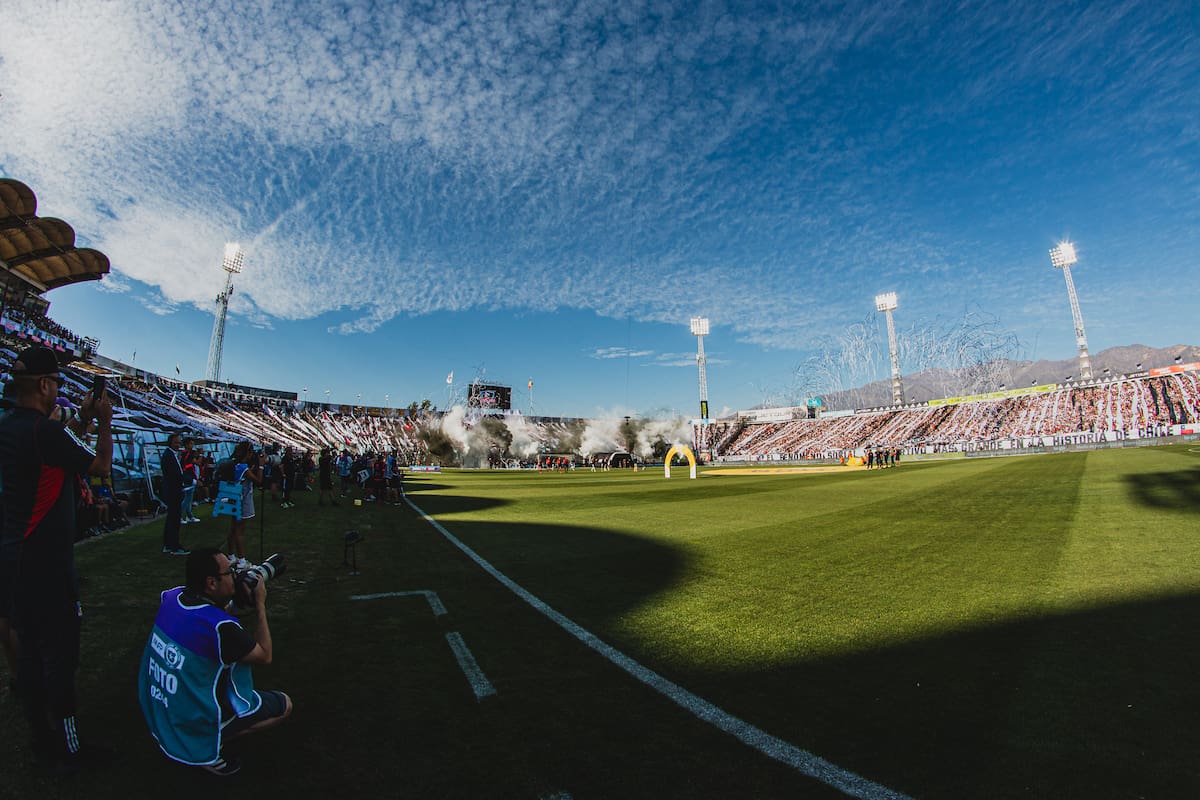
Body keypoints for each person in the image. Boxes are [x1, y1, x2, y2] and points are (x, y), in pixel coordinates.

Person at [0, 345, 113, 769]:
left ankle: (40, 737)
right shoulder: (44, 433)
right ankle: (69, 748)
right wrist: (103, 421)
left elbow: (57, 453)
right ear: (45, 386)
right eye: (58, 384)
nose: (58, 391)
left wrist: (81, 419)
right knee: (61, 656)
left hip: (16, 558)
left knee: (28, 650)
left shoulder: (13, 427)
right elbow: (100, 465)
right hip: (48, 564)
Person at [138, 547, 292, 776]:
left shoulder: (172, 597)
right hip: (191, 716)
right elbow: (264, 655)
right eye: (230, 572)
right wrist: (260, 605)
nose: (236, 575)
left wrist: (236, 606)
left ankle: (193, 733)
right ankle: (212, 739)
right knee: (284, 704)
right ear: (211, 583)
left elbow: (207, 621)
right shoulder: (221, 629)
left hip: (160, 706)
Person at [159, 434, 188, 555]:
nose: (178, 445)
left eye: (179, 443)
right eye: (176, 443)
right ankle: (174, 546)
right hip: (173, 491)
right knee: (174, 519)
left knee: (172, 518)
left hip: (174, 490)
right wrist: (190, 480)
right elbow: (175, 474)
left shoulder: (171, 455)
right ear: (170, 443)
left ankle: (169, 544)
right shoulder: (168, 456)